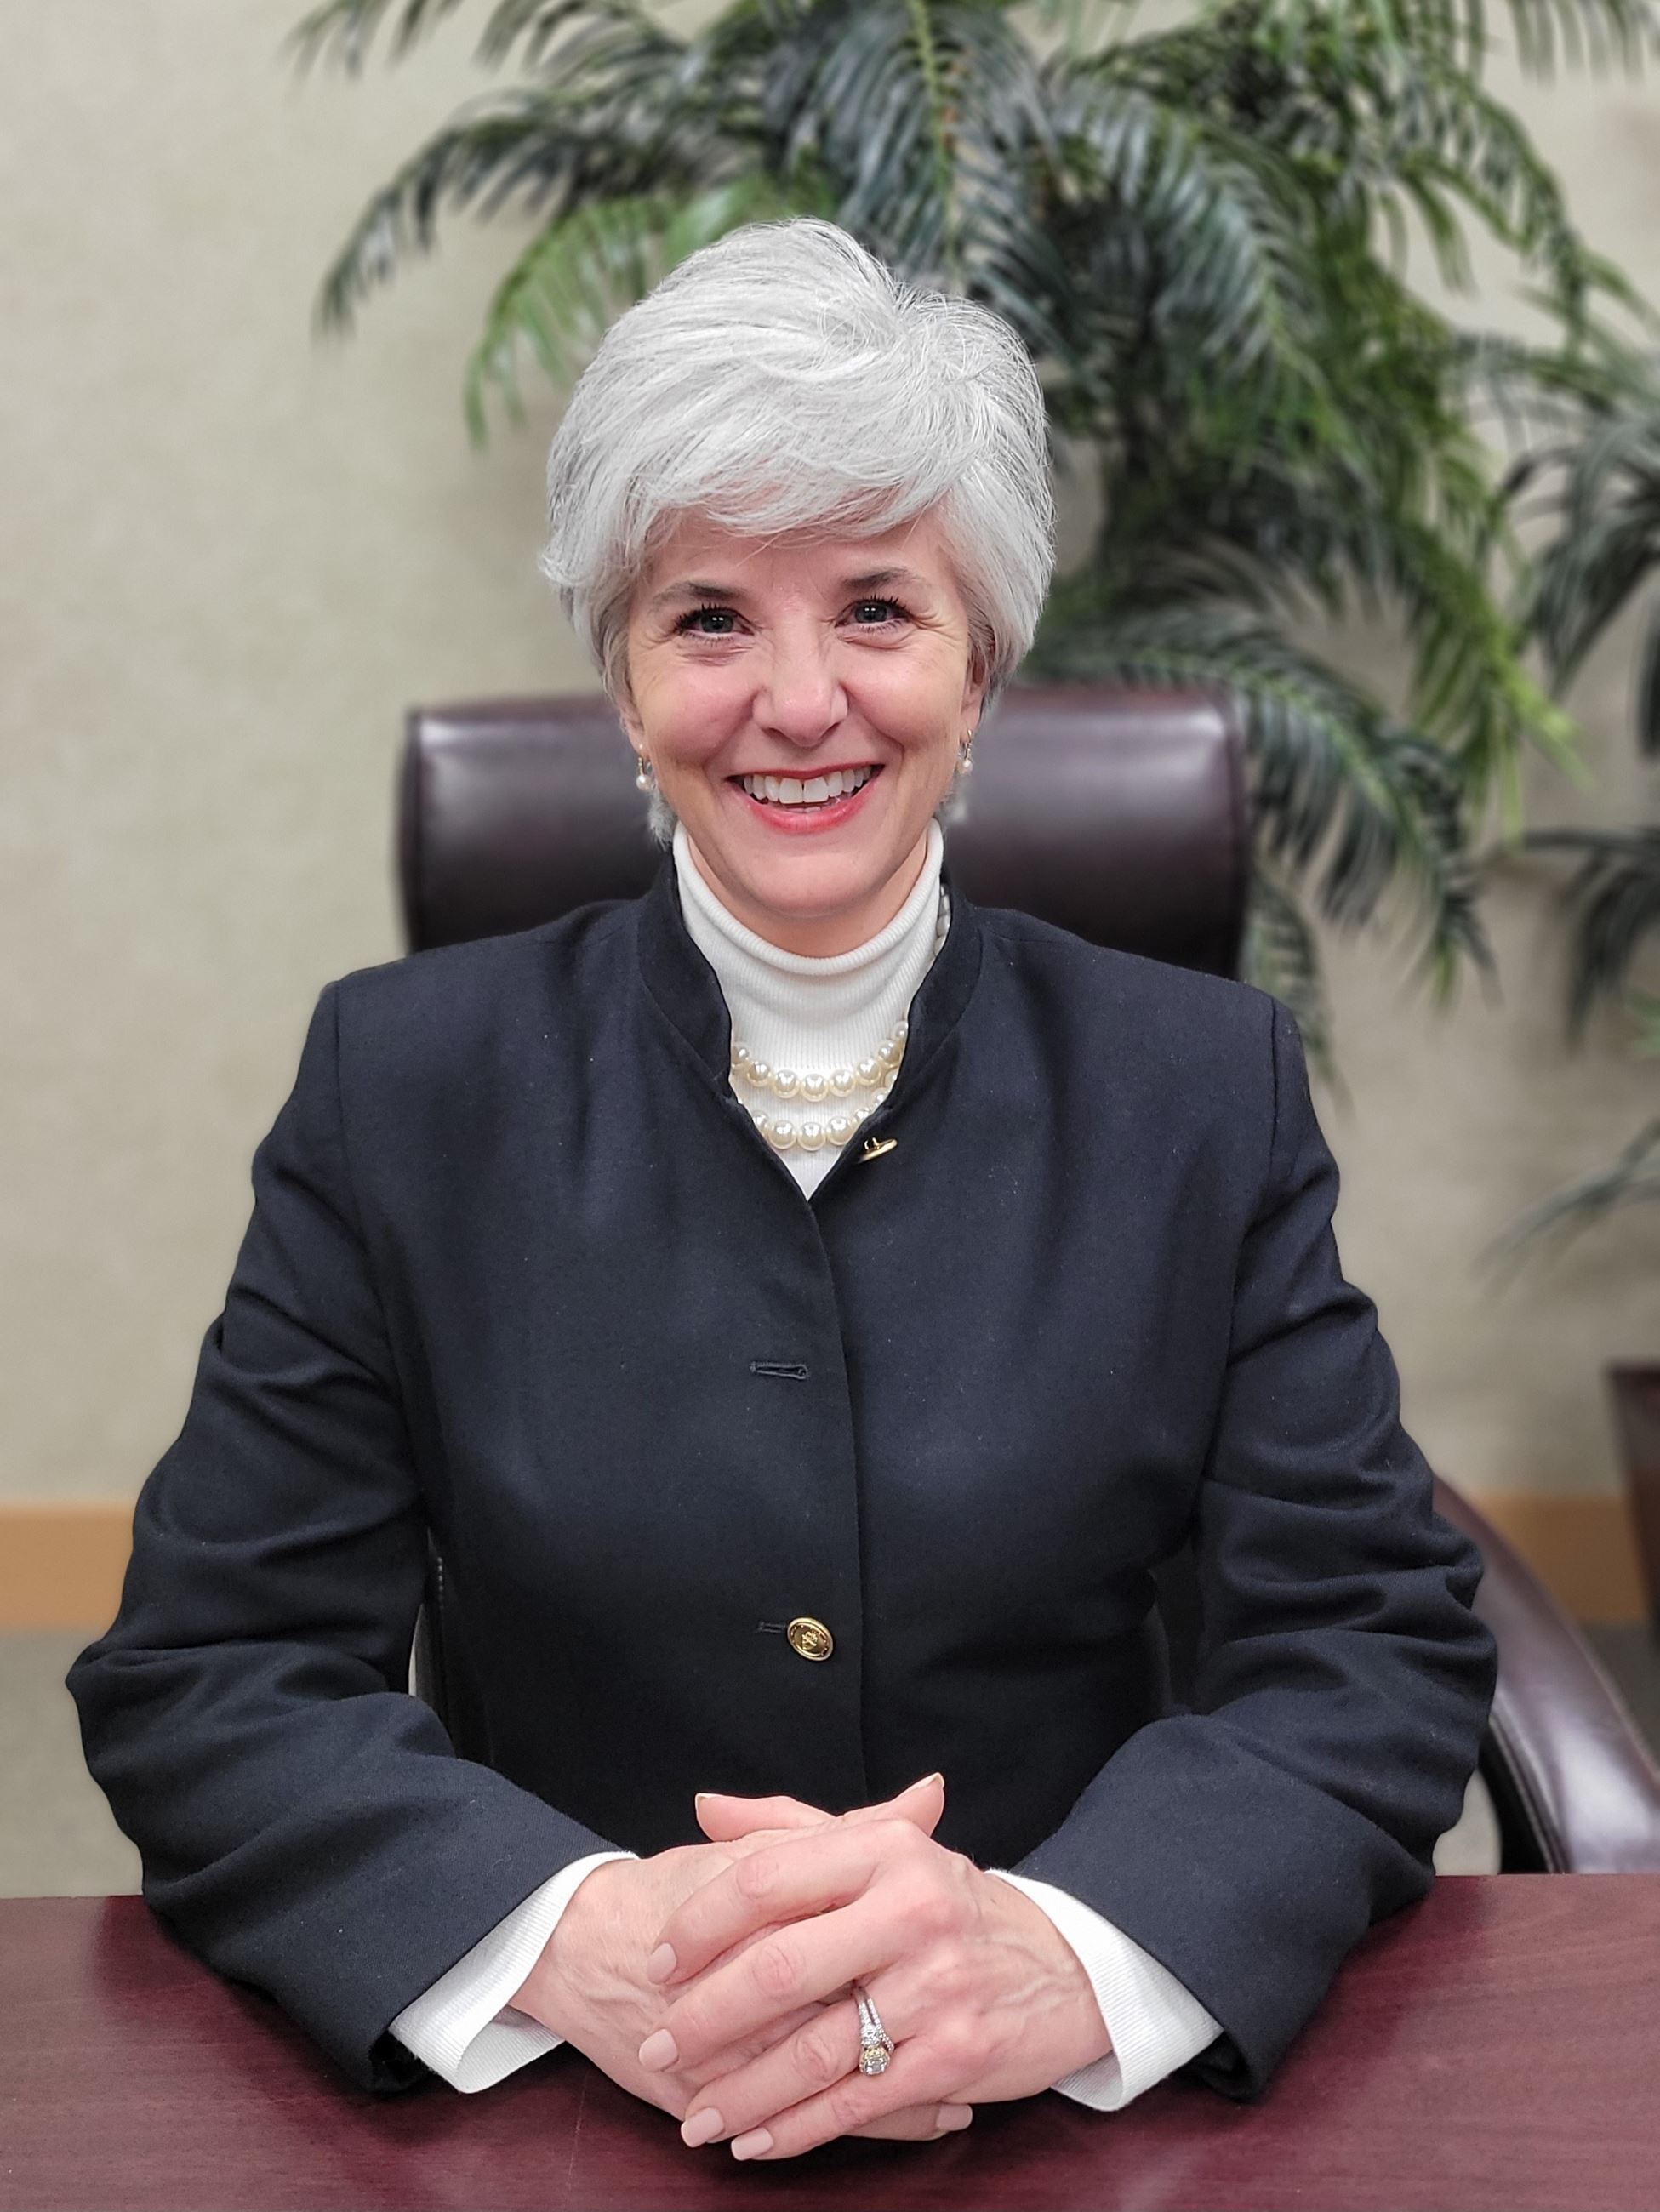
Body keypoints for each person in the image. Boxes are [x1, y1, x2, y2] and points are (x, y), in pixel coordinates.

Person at [69, 217, 1497, 2165]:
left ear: (979, 663)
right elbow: (212, 1671)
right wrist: (582, 1936)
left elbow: (1365, 1640)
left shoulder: (1196, 1090)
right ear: (626, 684)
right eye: (711, 615)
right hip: (568, 2114)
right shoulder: (407, 1086)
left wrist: (1065, 1953)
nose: (798, 697)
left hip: (1067, 2125)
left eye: (879, 610)